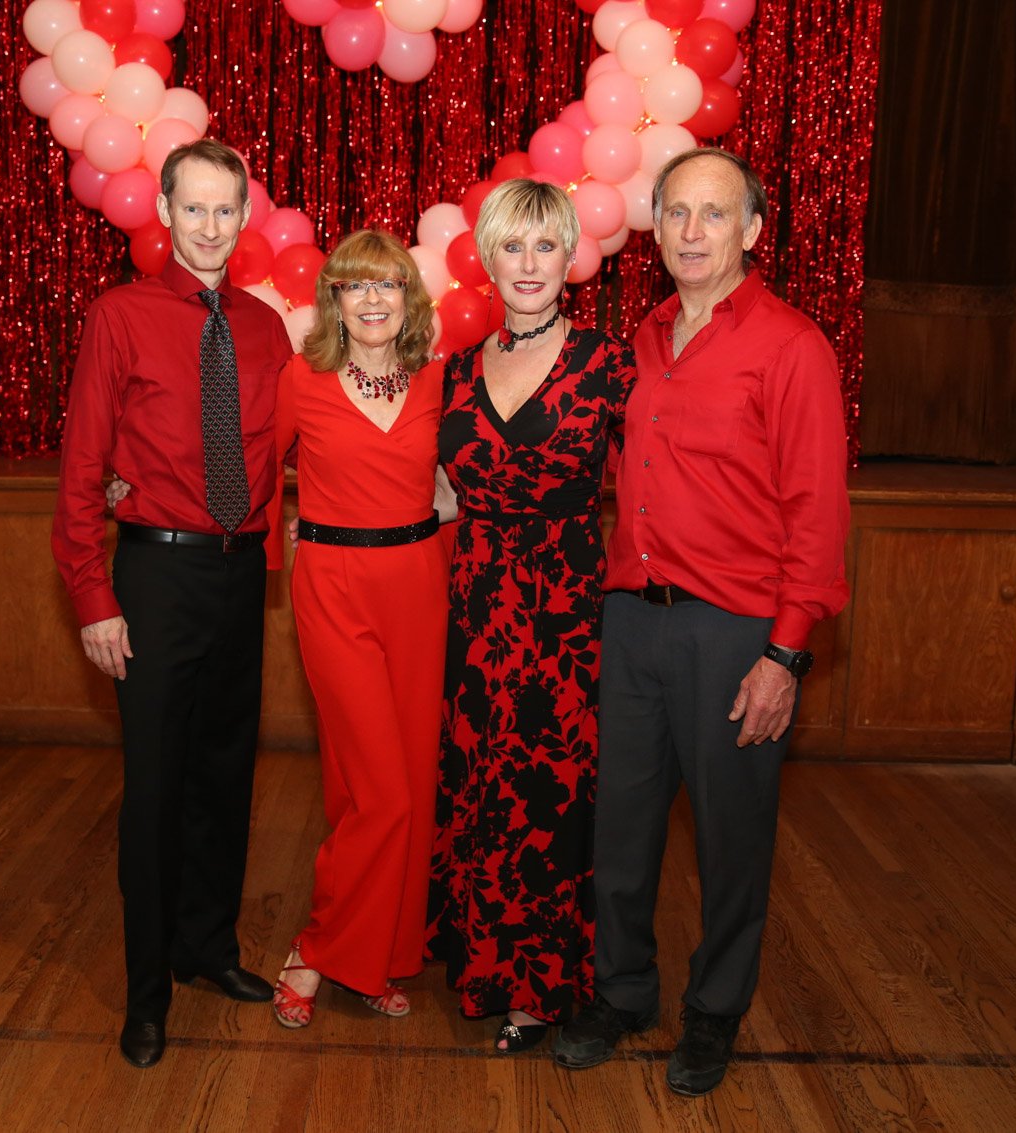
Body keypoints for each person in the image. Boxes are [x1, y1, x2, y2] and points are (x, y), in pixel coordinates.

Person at [552, 147, 851, 1097]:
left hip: (735, 633)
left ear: (753, 230)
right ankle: (622, 991)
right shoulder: (637, 340)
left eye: (714, 214)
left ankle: (715, 1010)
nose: (691, 232)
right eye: (676, 212)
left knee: (732, 839)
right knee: (622, 829)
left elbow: (817, 515)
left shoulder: (791, 346)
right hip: (632, 619)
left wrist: (784, 655)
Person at [50, 138, 291, 1070]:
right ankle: (146, 993)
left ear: (245, 216)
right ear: (163, 210)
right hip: (154, 577)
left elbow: (291, 447)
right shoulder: (120, 315)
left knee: (225, 778)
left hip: (242, 574)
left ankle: (207, 949)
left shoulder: (266, 329)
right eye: (194, 208)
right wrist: (92, 596)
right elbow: (83, 467)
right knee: (154, 790)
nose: (210, 226)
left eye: (225, 210)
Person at [427, 179, 635, 1054]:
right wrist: (321, 525)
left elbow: (654, 484)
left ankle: (541, 985)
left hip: (565, 611)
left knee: (548, 792)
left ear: (571, 259)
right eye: (511, 245)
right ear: (487, 255)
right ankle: (481, 959)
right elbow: (434, 493)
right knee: (480, 778)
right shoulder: (455, 369)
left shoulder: (609, 362)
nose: (527, 263)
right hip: (478, 604)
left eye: (545, 246)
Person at [265, 230, 453, 1029]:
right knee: (381, 790)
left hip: (419, 584)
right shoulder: (301, 379)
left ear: (410, 298)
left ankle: (378, 954)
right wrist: (139, 481)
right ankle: (316, 947)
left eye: (388, 284)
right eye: (355, 285)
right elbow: (248, 466)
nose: (373, 299)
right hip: (334, 586)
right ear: (333, 301)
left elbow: (477, 478)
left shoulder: (441, 380)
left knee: (403, 780)